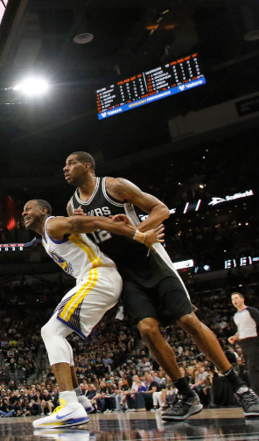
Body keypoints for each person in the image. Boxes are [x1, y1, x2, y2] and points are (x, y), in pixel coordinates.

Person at [64, 150, 259, 420]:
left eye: (71, 163)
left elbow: (161, 209)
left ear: (87, 166)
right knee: (146, 329)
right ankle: (187, 396)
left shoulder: (113, 186)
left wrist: (139, 229)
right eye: (65, 165)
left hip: (151, 260)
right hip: (126, 274)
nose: (66, 169)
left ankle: (241, 388)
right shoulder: (73, 207)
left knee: (189, 321)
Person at [22, 199, 163, 428]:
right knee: (55, 333)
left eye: (29, 208)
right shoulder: (47, 236)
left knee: (51, 331)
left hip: (98, 276)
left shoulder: (52, 224)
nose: (24, 212)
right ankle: (78, 398)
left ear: (44, 210)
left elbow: (97, 221)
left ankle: (70, 405)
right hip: (93, 279)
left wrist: (139, 235)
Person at [230, 292, 259, 394]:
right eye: (233, 299)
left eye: (236, 298)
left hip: (254, 342)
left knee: (253, 368)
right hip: (244, 344)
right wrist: (235, 337)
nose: (234, 300)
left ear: (242, 299)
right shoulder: (236, 316)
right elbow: (241, 330)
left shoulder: (251, 311)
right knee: (249, 369)